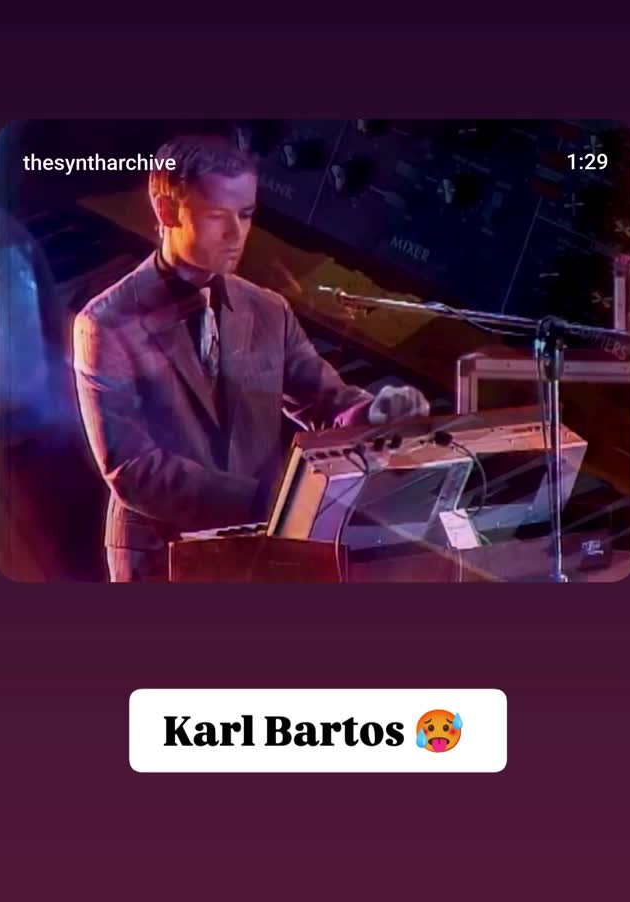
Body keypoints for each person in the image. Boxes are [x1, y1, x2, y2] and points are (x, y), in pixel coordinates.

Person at [73, 137, 429, 582]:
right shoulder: (105, 324)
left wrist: (372, 414)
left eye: (245, 215)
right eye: (216, 216)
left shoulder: (268, 308)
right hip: (161, 561)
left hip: (262, 549)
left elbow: (326, 401)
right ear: (165, 211)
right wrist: (271, 502)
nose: (236, 234)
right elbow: (134, 471)